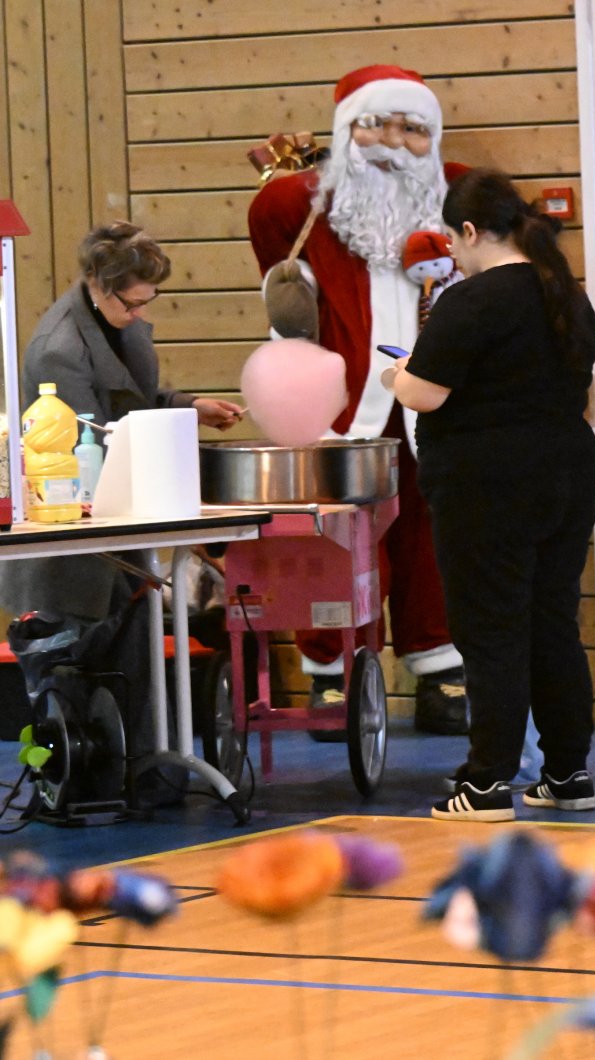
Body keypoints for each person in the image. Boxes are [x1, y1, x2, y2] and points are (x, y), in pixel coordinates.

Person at [247, 64, 466, 735]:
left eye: (412, 128)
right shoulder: (300, 208)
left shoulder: (458, 200)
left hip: (436, 402)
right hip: (341, 408)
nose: (394, 142)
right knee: (334, 544)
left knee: (435, 536)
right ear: (346, 128)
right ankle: (332, 672)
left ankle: (440, 666)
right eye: (376, 124)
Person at [0, 221, 241, 805]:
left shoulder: (110, 323)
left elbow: (131, 399)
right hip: (73, 541)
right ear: (95, 282)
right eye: (130, 303)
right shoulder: (58, 350)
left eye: (146, 301)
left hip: (118, 527)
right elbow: (95, 438)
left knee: (129, 664)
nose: (139, 314)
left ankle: (144, 781)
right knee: (72, 678)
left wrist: (189, 405)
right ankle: (97, 785)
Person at [389, 169, 595, 822]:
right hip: (567, 473)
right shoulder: (566, 293)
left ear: (471, 231)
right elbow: (589, 398)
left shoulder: (471, 301)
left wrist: (397, 374)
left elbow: (426, 393)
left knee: (492, 632)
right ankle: (567, 774)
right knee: (553, 625)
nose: (453, 253)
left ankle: (486, 783)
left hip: (487, 486)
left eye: (453, 241)